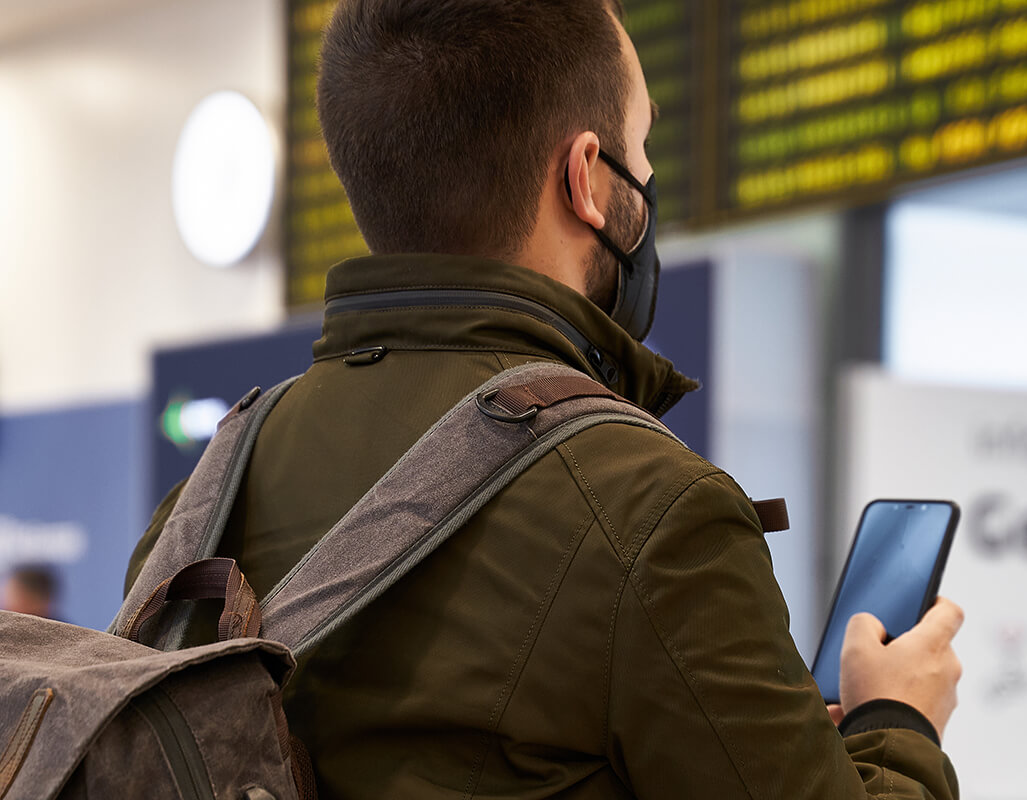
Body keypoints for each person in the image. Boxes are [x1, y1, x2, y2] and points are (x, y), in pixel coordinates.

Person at [125, 1, 964, 797]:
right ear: (588, 180)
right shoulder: (651, 513)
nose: (648, 178)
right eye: (642, 148)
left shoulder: (202, 503)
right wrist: (898, 720)